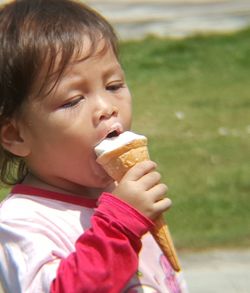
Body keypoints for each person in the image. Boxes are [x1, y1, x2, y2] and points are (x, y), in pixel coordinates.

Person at [0, 0, 188, 292]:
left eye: (113, 86)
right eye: (73, 100)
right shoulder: (23, 221)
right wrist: (119, 227)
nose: (106, 108)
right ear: (16, 135)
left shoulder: (120, 194)